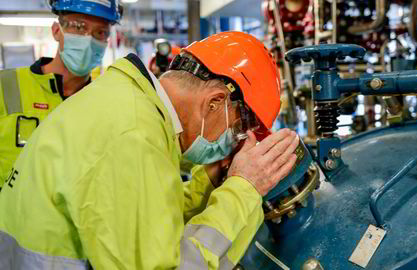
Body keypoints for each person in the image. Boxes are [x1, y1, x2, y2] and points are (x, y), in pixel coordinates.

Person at [0, 31, 299, 269]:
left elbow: (139, 214)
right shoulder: (133, 135)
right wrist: (243, 189)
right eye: (237, 129)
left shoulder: (130, 104)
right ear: (214, 102)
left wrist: (204, 185)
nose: (233, 142)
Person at [0, 0, 122, 188]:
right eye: (79, 26)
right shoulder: (6, 86)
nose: (88, 39)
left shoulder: (106, 104)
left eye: (100, 32)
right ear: (57, 31)